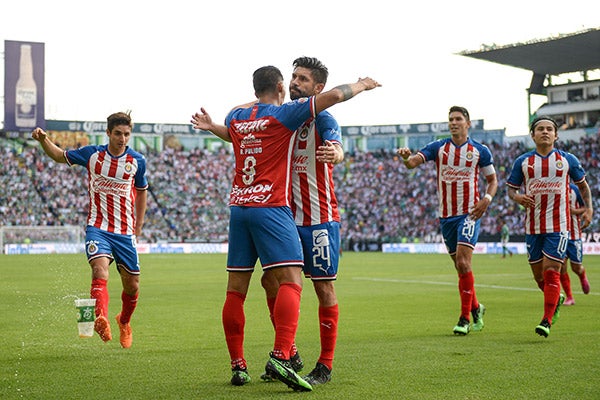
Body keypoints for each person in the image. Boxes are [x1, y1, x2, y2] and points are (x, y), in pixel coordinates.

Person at [191, 66, 379, 391]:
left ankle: (325, 365)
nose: (295, 83)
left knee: (322, 288)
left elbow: (337, 143)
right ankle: (287, 353)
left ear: (318, 87)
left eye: (303, 79)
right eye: (293, 78)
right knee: (270, 281)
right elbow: (245, 126)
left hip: (317, 218)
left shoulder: (320, 118)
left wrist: (337, 152)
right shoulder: (283, 115)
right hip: (281, 215)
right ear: (282, 84)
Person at [31, 112, 148, 348]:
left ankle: (124, 321)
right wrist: (43, 139)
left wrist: (138, 225)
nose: (122, 138)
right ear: (108, 133)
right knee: (99, 271)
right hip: (98, 228)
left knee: (132, 285)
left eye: (126, 134)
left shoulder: (137, 161)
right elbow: (58, 156)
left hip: (124, 232)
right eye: (118, 133)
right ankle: (100, 317)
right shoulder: (93, 154)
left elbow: (142, 190)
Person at [397, 106, 498, 336]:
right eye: (451, 119)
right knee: (460, 266)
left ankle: (464, 319)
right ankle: (476, 307)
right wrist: (405, 158)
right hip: (446, 216)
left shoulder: (480, 151)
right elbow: (413, 163)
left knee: (463, 263)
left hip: (470, 212)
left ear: (467, 123)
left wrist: (487, 199)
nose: (454, 122)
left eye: (458, 119)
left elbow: (492, 180)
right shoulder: (439, 147)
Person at [507, 116, 593, 337]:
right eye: (540, 129)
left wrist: (589, 209)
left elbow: (583, 187)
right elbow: (511, 190)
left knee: (552, 270)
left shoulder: (567, 160)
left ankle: (546, 321)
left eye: (549, 129)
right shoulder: (523, 162)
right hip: (533, 228)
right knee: (539, 278)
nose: (545, 132)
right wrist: (518, 198)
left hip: (559, 226)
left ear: (556, 135)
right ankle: (557, 298)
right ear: (532, 135)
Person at [560, 182, 591, 305]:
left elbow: (585, 208)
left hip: (574, 235)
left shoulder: (574, 190)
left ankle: (582, 275)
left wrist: (574, 211)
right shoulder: (553, 188)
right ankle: (570, 297)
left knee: (576, 267)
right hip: (560, 233)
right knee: (561, 266)